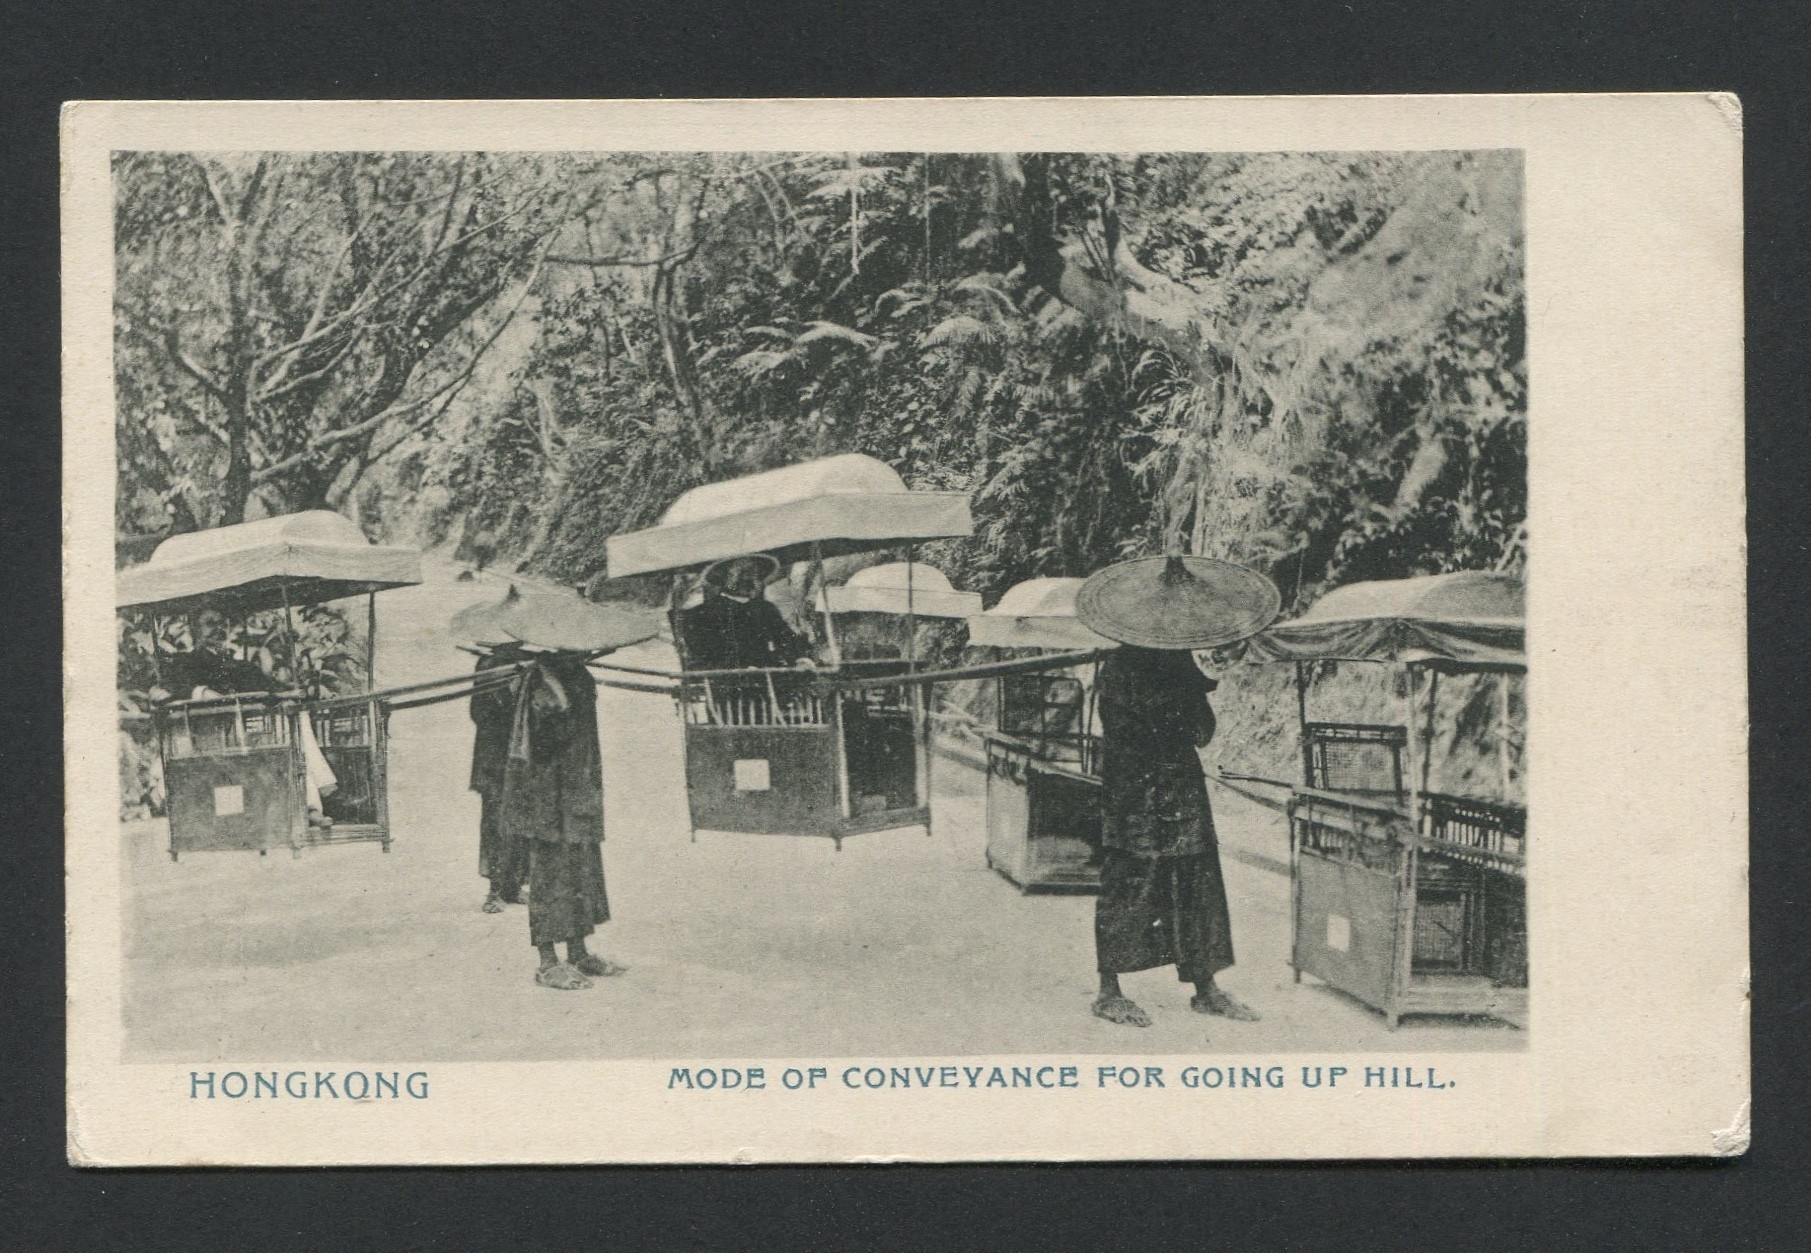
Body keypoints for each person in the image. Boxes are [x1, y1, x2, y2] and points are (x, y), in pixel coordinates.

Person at [1089, 645, 1260, 1027]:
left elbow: (1201, 732)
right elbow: (1133, 728)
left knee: (1197, 883)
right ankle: (1108, 991)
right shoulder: (1119, 667)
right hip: (1134, 791)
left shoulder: (1180, 662)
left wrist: (1202, 680)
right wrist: (1179, 693)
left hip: (1182, 788)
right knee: (1128, 884)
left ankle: (1206, 987)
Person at [501, 649, 623, 991]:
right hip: (547, 794)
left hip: (578, 787)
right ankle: (548, 962)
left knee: (582, 869)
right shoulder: (541, 679)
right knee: (551, 873)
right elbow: (540, 744)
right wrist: (557, 711)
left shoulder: (576, 673)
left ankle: (579, 952)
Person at [155, 608, 340, 826]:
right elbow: (168, 690)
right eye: (210, 623)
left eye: (222, 623)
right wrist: (202, 692)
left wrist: (305, 691)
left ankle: (311, 806)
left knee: (296, 717)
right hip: (209, 736)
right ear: (194, 628)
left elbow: (270, 689)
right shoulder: (185, 662)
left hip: (247, 730)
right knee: (291, 731)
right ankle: (321, 789)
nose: (219, 629)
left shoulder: (238, 665)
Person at [469, 642, 529, 913]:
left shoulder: (529, 662)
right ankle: (494, 889)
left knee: (523, 818)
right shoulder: (488, 666)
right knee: (495, 821)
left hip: (523, 756)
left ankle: (515, 885)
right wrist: (505, 693)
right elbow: (478, 712)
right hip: (493, 758)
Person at [678, 555, 813, 671]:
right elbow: (705, 654)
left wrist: (801, 658)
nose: (747, 578)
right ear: (724, 577)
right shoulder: (703, 613)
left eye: (752, 572)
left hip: (768, 677)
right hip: (728, 682)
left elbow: (786, 638)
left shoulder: (765, 609)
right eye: (739, 572)